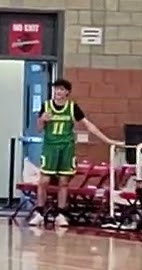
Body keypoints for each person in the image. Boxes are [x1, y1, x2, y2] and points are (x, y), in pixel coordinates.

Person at [27, 79, 119, 229]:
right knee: (43, 181)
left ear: (67, 92)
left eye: (61, 89)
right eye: (56, 89)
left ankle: (61, 214)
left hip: (67, 147)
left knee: (64, 182)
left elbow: (88, 125)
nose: (58, 92)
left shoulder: (72, 107)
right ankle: (39, 212)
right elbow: (38, 129)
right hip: (50, 147)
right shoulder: (46, 106)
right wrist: (42, 120)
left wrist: (107, 140)